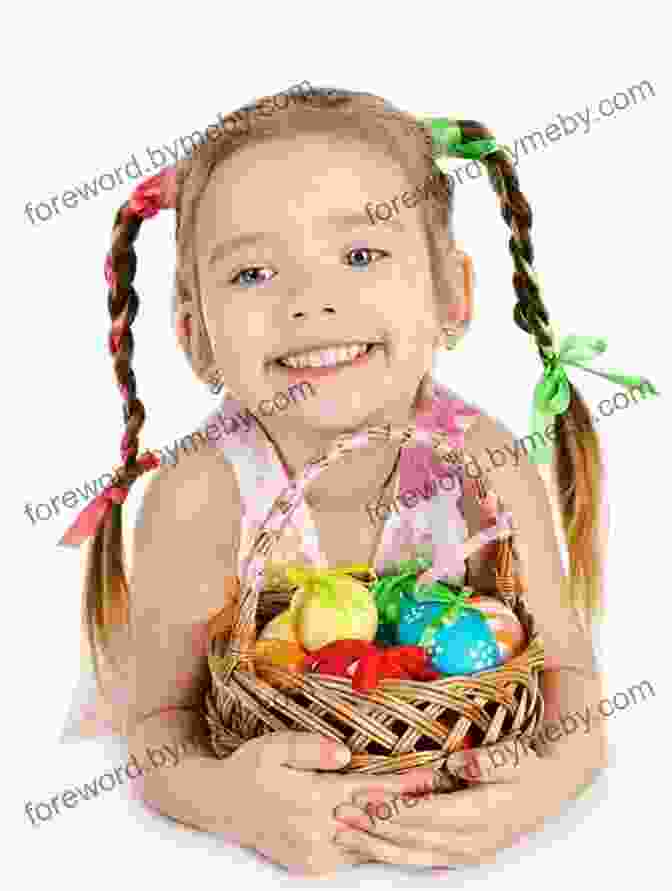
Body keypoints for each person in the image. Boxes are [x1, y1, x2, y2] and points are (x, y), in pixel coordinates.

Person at [59, 86, 653, 875]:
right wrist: (229, 801)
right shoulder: (202, 494)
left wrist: (536, 793)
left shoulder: (484, 467)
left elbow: (571, 678)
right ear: (194, 337)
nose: (312, 302)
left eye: (363, 256)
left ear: (452, 297)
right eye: (254, 272)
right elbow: (161, 725)